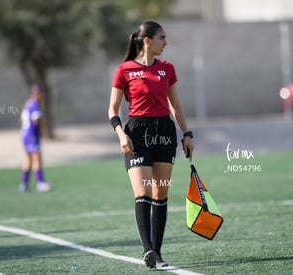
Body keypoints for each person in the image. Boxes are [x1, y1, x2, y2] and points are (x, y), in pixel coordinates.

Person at [108, 21, 194, 269]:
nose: (165, 43)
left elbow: (175, 107)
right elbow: (112, 109)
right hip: (137, 134)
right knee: (143, 191)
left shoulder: (167, 69)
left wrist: (187, 134)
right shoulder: (124, 70)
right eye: (162, 38)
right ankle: (148, 252)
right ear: (147, 40)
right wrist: (121, 134)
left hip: (164, 134)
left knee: (161, 192)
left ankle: (158, 252)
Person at [18, 84, 53, 192]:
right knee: (37, 158)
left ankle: (24, 184)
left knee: (28, 159)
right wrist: (41, 130)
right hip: (31, 135)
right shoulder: (34, 104)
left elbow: (22, 120)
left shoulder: (27, 103)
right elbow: (36, 120)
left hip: (24, 134)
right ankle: (40, 183)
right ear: (38, 94)